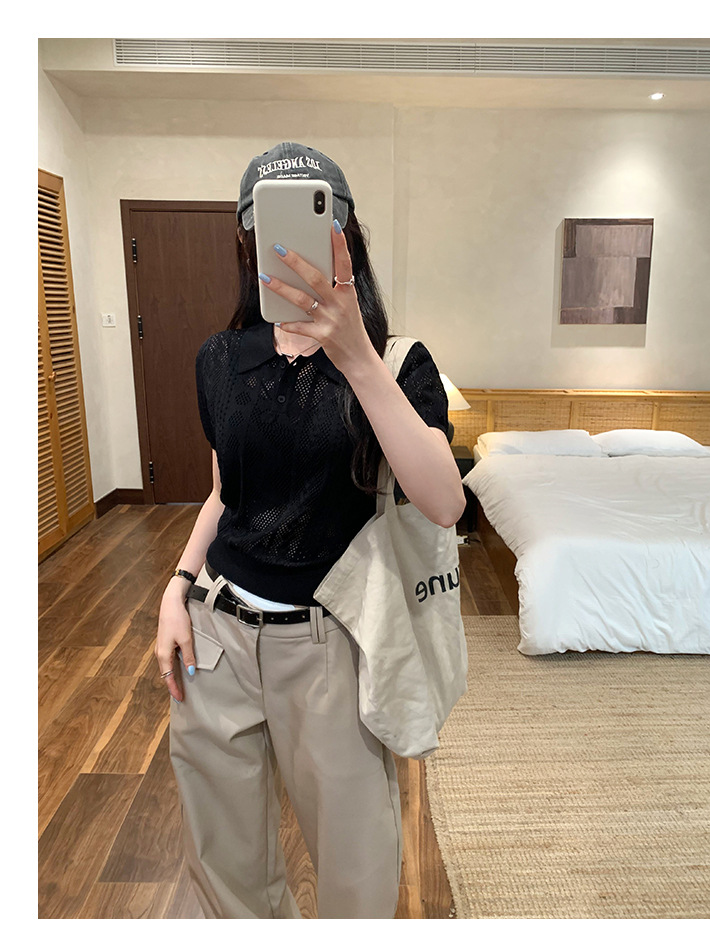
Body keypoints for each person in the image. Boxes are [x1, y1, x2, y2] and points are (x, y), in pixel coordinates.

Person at [156, 141, 465, 919]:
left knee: (357, 866)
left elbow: (444, 502)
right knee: (223, 859)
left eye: (319, 225)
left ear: (348, 236)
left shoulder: (396, 362)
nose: (292, 246)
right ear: (246, 242)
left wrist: (355, 356)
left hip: (332, 645)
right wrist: (177, 586)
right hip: (216, 637)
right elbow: (223, 494)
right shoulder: (220, 359)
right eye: (270, 230)